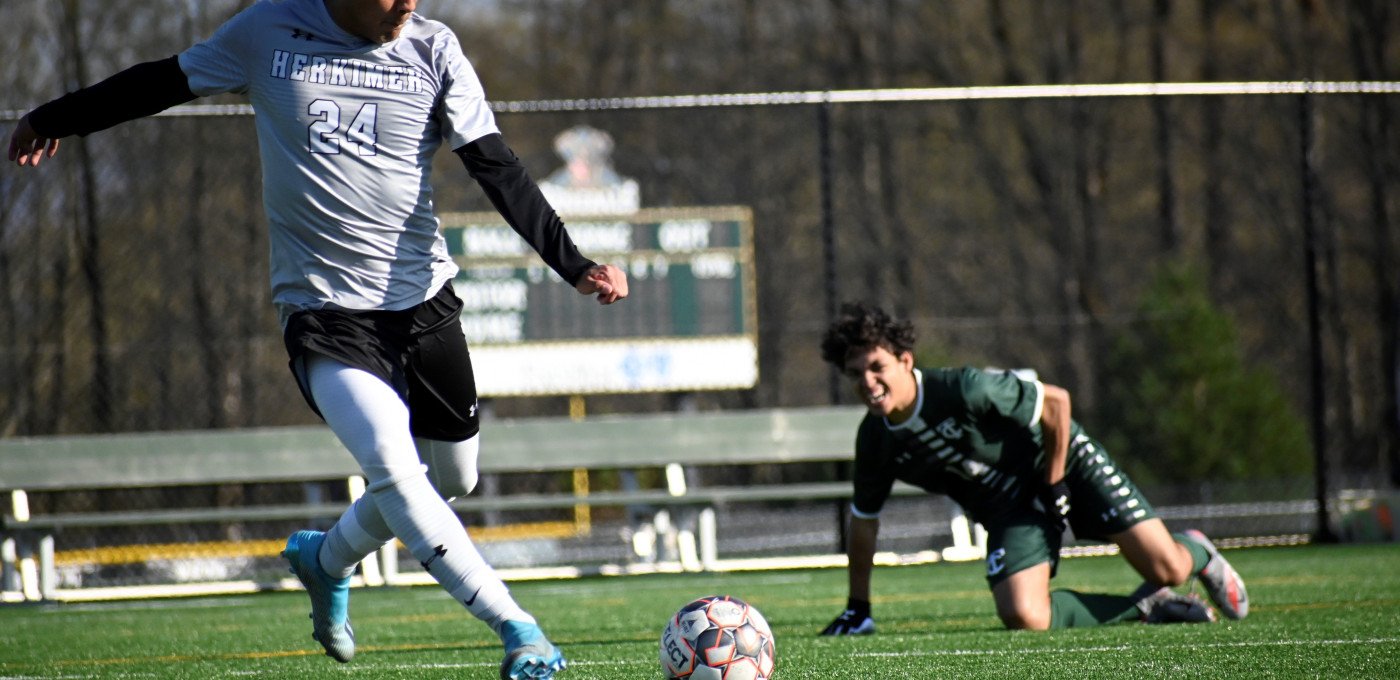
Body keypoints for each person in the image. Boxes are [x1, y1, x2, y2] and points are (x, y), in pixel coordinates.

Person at [8, 1, 627, 677]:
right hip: (324, 315)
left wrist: (575, 264)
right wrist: (51, 116)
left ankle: (325, 558)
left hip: (424, 307)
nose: (409, 4)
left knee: (454, 477)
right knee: (394, 469)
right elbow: (159, 81)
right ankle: (519, 629)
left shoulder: (434, 48)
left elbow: (495, 165)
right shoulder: (265, 31)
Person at [816, 302, 1247, 634]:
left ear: (906, 361)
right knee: (1024, 614)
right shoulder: (875, 440)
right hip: (1010, 509)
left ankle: (1197, 552)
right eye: (856, 374)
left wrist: (1055, 481)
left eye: (877, 367)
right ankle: (1149, 606)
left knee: (1167, 568)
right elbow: (864, 522)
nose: (868, 382)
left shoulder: (965, 389)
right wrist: (859, 607)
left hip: (1068, 465)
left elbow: (1057, 402)